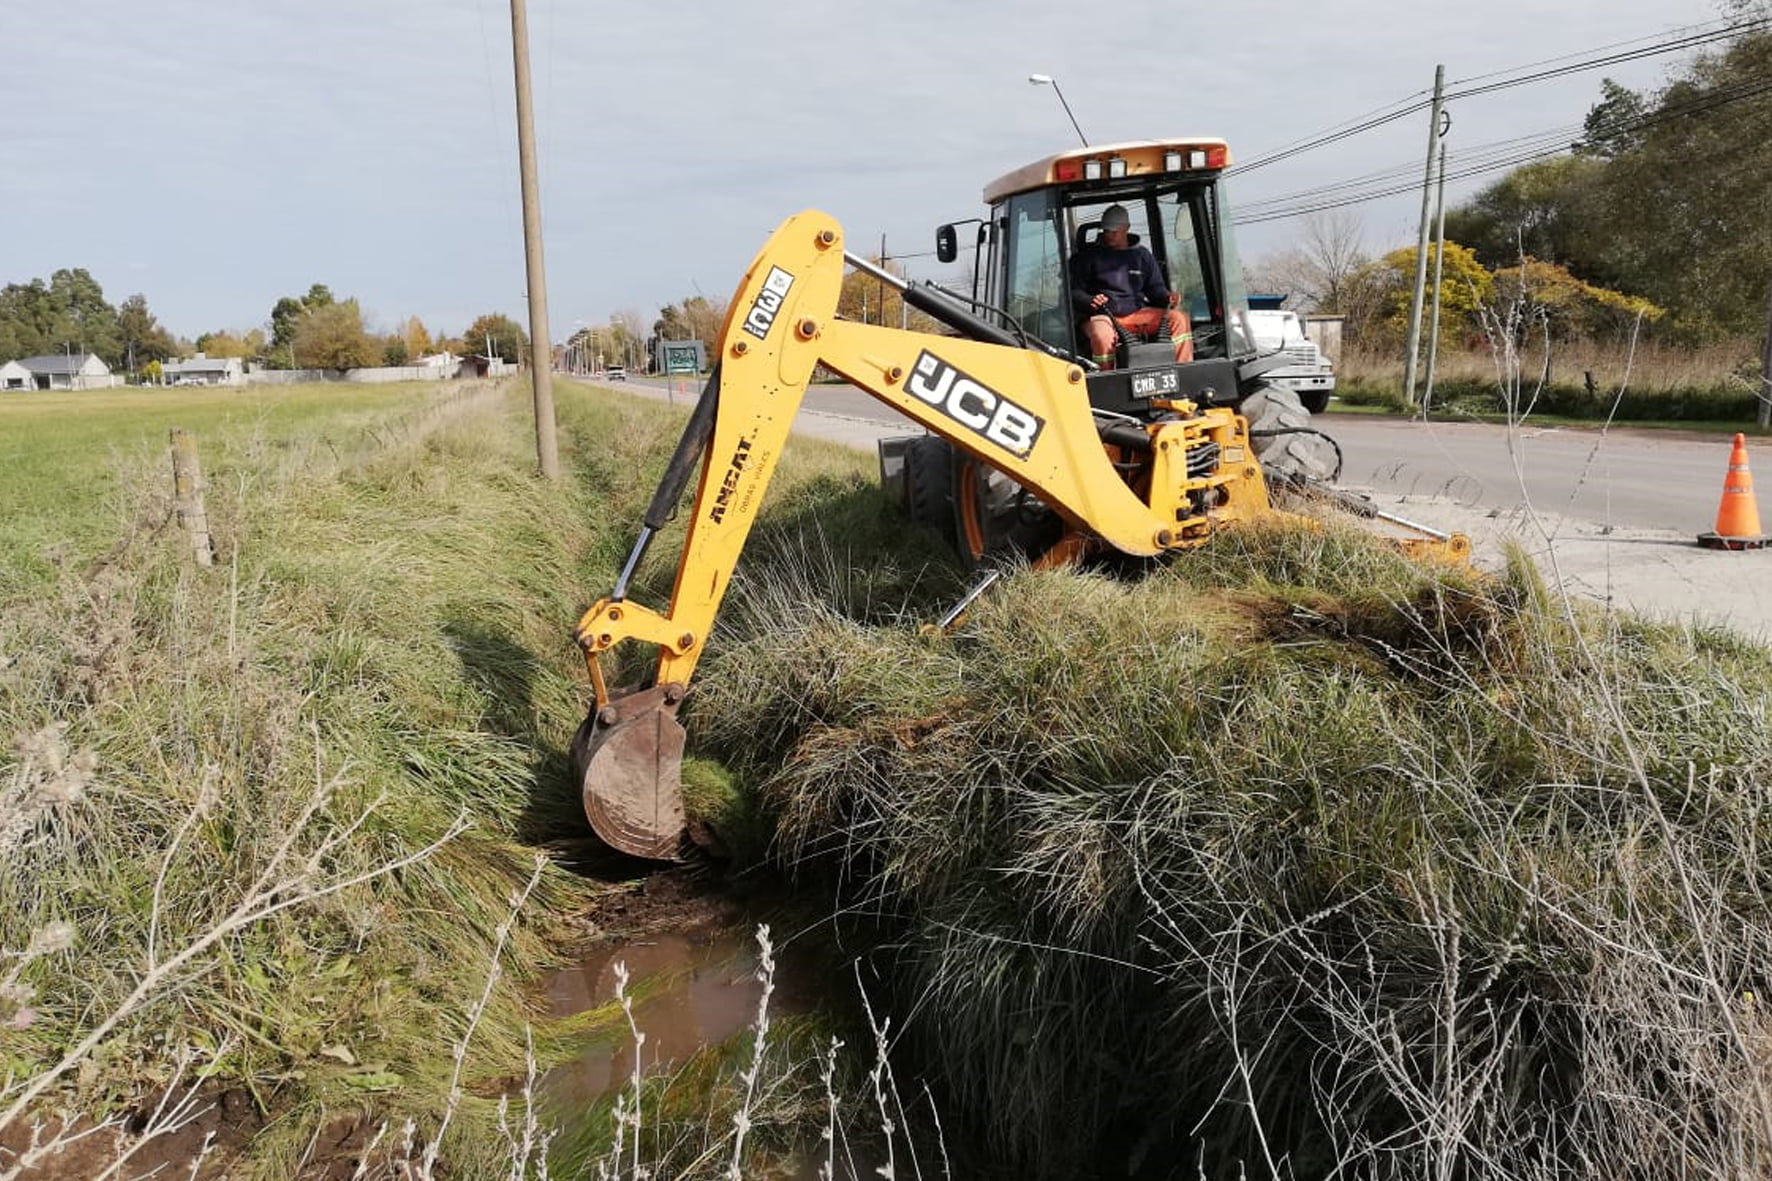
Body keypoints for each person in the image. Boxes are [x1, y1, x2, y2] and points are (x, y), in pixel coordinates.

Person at [1068, 203, 1193, 368]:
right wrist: (1089, 300)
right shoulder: (1088, 258)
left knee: (1179, 319)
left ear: (1126, 228)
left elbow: (1155, 289)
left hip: (1137, 314)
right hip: (1103, 316)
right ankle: (1107, 377)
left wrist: (1167, 297)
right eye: (1106, 231)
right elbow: (1074, 292)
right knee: (1102, 335)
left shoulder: (1142, 256)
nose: (1109, 235)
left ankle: (1183, 369)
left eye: (1114, 231)